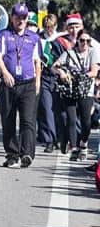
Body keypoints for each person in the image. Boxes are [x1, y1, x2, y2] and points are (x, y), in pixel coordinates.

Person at [0, 3, 42, 168]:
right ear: (12, 18)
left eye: (23, 17)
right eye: (17, 17)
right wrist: (5, 73)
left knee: (28, 120)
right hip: (9, 83)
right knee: (8, 120)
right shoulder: (4, 35)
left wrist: (37, 82)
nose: (20, 20)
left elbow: (37, 62)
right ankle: (12, 154)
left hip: (28, 83)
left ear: (27, 19)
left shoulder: (34, 38)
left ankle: (27, 153)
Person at [51, 30, 98, 161]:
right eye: (82, 40)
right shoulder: (69, 53)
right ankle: (74, 148)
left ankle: (83, 144)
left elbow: (94, 72)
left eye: (88, 41)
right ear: (77, 40)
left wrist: (80, 76)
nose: (85, 43)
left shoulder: (93, 53)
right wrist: (61, 72)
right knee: (71, 119)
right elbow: (53, 67)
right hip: (70, 91)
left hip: (85, 91)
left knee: (86, 121)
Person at [37, 14, 70, 152]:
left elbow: (69, 57)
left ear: (55, 26)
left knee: (60, 111)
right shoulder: (40, 39)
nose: (49, 30)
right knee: (46, 109)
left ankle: (61, 139)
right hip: (45, 77)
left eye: (51, 27)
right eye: (46, 27)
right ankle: (49, 140)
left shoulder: (62, 40)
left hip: (59, 78)